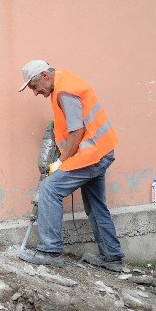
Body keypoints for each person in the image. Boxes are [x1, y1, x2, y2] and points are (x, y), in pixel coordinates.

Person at [17, 60, 125, 271]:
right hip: (101, 150)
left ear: (45, 76)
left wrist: (61, 162)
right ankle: (112, 257)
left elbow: (76, 131)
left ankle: (50, 251)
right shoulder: (65, 80)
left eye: (34, 86)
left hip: (91, 154)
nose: (35, 92)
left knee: (49, 189)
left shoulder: (64, 91)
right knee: (95, 204)